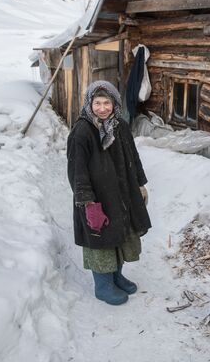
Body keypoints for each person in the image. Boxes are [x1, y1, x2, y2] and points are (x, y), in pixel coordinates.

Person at [67, 80, 151, 306]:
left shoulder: (120, 126)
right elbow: (77, 171)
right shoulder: (82, 131)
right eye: (97, 103)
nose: (102, 108)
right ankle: (103, 286)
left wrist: (140, 184)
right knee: (101, 240)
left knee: (121, 235)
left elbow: (133, 157)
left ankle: (116, 276)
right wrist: (87, 203)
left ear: (114, 103)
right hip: (97, 198)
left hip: (122, 193)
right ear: (89, 103)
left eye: (107, 103)